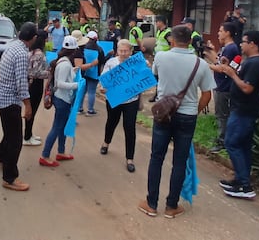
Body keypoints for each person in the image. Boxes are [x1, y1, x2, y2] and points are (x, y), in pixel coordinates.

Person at [138, 25, 214, 219]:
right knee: (179, 161)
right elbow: (207, 95)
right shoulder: (201, 64)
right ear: (190, 41)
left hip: (164, 114)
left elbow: (155, 74)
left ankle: (151, 203)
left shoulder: (162, 57)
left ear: (171, 39)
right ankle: (172, 206)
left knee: (157, 158)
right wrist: (193, 111)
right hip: (187, 117)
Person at [213, 30, 259, 199]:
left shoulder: (256, 63)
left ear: (253, 44)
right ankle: (239, 179)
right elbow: (239, 74)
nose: (241, 44)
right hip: (240, 109)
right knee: (242, 146)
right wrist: (228, 65)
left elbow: (247, 87)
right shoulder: (248, 61)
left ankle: (244, 184)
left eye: (244, 42)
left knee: (231, 143)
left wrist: (231, 75)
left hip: (244, 111)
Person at [0, 22, 37, 192]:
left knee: (9, 132)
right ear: (33, 38)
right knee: (15, 140)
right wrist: (28, 105)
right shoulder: (21, 54)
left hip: (2, 97)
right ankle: (9, 178)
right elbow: (21, 83)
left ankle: (0, 156)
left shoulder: (12, 46)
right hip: (10, 100)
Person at [39, 35, 79, 168]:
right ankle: (45, 155)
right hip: (63, 99)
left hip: (60, 99)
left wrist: (73, 72)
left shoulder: (62, 61)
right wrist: (76, 85)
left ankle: (61, 152)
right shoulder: (66, 64)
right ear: (73, 51)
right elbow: (60, 83)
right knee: (57, 127)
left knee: (62, 126)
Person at [99, 39, 139, 173]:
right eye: (121, 50)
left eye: (126, 51)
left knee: (129, 128)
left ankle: (130, 158)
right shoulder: (111, 62)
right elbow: (104, 79)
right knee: (111, 122)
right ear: (117, 50)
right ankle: (106, 143)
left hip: (131, 100)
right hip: (114, 100)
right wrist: (103, 88)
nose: (123, 53)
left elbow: (143, 78)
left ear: (131, 51)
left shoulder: (136, 63)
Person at [206, 23, 240, 153]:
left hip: (224, 87)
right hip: (221, 86)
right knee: (222, 114)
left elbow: (222, 69)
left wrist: (204, 65)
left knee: (222, 115)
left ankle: (222, 141)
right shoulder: (226, 48)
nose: (218, 33)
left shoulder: (231, 49)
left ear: (228, 33)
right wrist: (211, 51)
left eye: (221, 31)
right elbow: (219, 62)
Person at [24, 30, 49, 146]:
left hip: (30, 83)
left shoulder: (31, 52)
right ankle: (27, 136)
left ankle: (29, 133)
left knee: (32, 111)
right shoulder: (39, 54)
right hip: (36, 84)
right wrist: (49, 73)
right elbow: (36, 73)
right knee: (32, 111)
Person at [78, 31, 105, 116]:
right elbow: (102, 61)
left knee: (82, 91)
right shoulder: (100, 49)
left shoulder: (83, 47)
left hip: (84, 72)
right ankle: (90, 110)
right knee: (91, 92)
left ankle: (79, 108)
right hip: (94, 73)